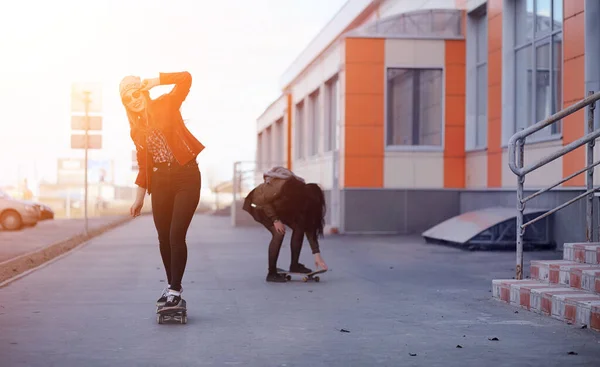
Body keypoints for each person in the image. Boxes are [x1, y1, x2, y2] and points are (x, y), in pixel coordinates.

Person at [119, 71, 204, 309]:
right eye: (127, 99)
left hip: (186, 176)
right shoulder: (136, 130)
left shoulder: (166, 104)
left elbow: (186, 78)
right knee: (163, 237)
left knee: (176, 234)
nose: (133, 100)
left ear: (143, 92)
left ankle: (175, 289)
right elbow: (145, 166)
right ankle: (171, 287)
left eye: (135, 93)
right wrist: (138, 199)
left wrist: (156, 81)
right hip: (160, 182)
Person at [243, 166, 328, 282]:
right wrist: (275, 220)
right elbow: (264, 201)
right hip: (260, 205)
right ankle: (271, 273)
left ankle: (294, 264)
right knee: (278, 233)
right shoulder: (281, 187)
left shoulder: (301, 199)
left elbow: (309, 227)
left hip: (279, 207)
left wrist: (316, 254)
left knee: (300, 227)